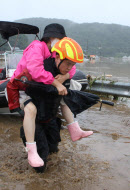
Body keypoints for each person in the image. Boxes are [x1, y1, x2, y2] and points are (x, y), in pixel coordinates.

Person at [7, 24, 92, 168]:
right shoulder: (37, 47)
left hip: (43, 92)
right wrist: (55, 83)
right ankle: (31, 150)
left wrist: (64, 77)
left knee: (64, 98)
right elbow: (35, 70)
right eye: (60, 40)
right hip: (22, 86)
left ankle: (74, 128)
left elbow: (71, 68)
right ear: (51, 38)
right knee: (31, 110)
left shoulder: (55, 52)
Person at [20, 37, 86, 172]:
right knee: (41, 163)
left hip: (51, 117)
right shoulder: (42, 71)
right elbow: (35, 88)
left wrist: (65, 77)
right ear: (57, 57)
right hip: (37, 120)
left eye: (72, 65)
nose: (69, 68)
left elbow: (68, 83)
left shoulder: (64, 74)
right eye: (67, 64)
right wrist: (55, 85)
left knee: (54, 150)